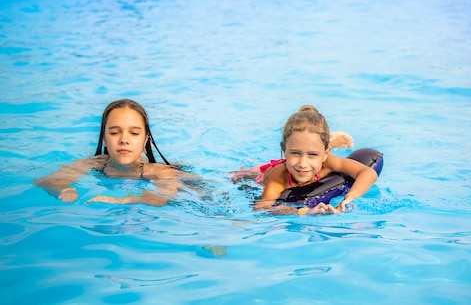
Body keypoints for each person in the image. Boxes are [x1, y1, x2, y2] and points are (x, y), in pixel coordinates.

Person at [34, 99, 200, 206]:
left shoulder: (159, 172)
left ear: (145, 140)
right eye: (114, 133)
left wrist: (123, 200)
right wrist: (63, 190)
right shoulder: (94, 165)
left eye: (134, 133)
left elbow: (162, 199)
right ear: (105, 139)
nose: (123, 139)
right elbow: (45, 181)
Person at [236, 105, 379, 215]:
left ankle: (329, 142)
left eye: (312, 154)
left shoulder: (328, 162)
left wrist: (348, 199)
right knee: (241, 175)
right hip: (263, 175)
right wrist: (303, 212)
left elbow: (368, 173)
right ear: (284, 151)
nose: (303, 164)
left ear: (325, 154)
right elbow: (262, 208)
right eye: (295, 153)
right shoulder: (278, 178)